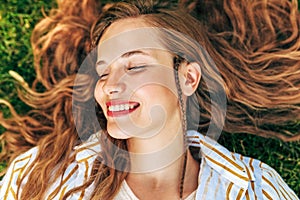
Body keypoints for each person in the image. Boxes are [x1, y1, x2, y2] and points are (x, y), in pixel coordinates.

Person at [0, 0, 299, 199]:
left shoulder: (255, 188)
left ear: (188, 78)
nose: (111, 86)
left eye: (135, 66)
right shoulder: (44, 174)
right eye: (102, 72)